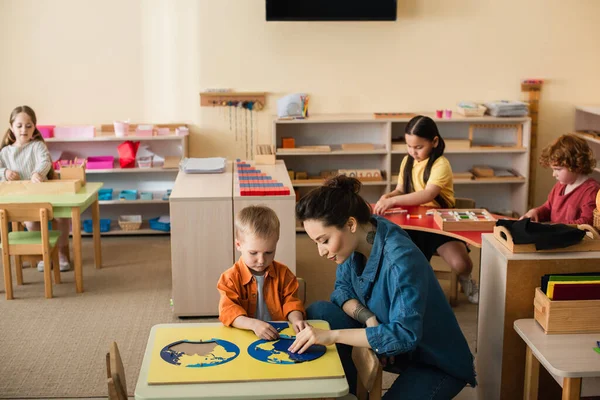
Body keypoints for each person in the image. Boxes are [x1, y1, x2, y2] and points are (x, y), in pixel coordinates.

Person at [289, 176, 476, 399]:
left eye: (324, 240)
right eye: (316, 243)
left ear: (350, 224)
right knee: (320, 311)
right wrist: (368, 319)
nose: (321, 251)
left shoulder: (401, 260)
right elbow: (341, 291)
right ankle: (353, 392)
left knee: (327, 331)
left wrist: (333, 336)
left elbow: (404, 335)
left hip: (433, 359)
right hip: (391, 340)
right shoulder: (361, 233)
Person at [373, 115, 479, 303]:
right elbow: (401, 190)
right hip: (412, 223)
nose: (413, 152)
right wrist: (388, 196)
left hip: (440, 224)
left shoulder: (441, 164)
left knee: (461, 264)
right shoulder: (407, 161)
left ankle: (466, 279)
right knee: (404, 261)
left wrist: (393, 201)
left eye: (419, 147)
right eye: (409, 146)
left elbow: (428, 194)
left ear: (434, 142)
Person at [217, 205, 307, 340]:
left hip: (278, 335)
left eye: (269, 252)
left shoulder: (284, 274)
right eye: (253, 253)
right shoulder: (229, 278)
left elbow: (291, 302)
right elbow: (228, 311)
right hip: (245, 335)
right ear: (238, 245)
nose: (261, 260)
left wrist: (296, 320)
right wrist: (253, 324)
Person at [0, 105, 71, 271]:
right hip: (23, 201)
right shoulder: (5, 152)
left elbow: (45, 161)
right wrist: (5, 172)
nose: (23, 130)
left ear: (34, 128)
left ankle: (61, 253)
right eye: (19, 126)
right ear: (11, 127)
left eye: (28, 126)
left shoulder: (38, 146)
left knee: (61, 218)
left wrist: (38, 173)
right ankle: (42, 254)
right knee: (32, 223)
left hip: (44, 197)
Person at [521, 134, 599, 224]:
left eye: (558, 169)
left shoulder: (591, 191)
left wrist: (558, 229)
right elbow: (548, 208)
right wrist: (535, 212)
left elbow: (587, 222)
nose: (554, 174)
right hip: (556, 236)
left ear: (576, 165)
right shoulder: (560, 186)